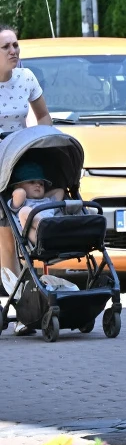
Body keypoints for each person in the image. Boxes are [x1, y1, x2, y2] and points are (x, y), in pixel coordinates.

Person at [0, 24, 52, 281]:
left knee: (29, 217)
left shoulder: (26, 78)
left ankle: (33, 294)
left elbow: (42, 115)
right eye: (6, 47)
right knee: (6, 235)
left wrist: (44, 144)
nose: (13, 51)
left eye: (15, 45)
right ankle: (15, 296)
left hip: (21, 153)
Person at [10, 161, 65, 241]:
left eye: (41, 184)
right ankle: (46, 228)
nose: (38, 185)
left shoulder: (47, 201)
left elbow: (60, 191)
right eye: (31, 182)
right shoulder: (20, 202)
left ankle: (52, 230)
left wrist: (42, 197)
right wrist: (19, 188)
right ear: (18, 186)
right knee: (24, 211)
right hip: (37, 237)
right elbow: (20, 193)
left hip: (55, 231)